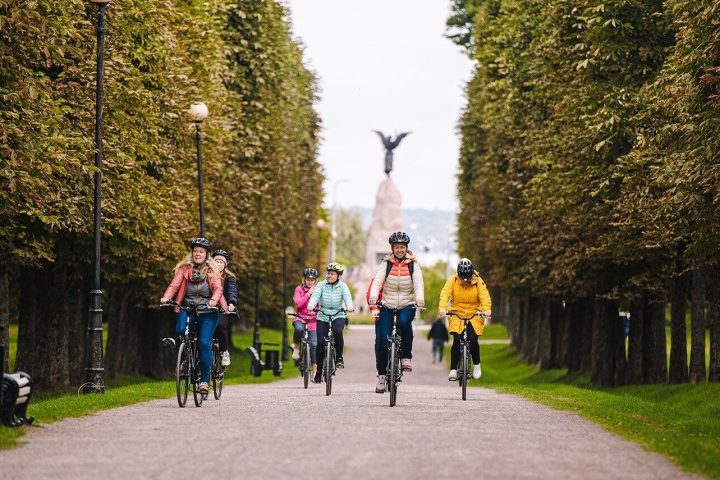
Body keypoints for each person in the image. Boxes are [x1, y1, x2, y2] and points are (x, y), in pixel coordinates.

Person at [160, 237, 226, 395]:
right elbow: (174, 285)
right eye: (195, 251)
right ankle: (185, 360)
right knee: (181, 330)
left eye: (201, 251)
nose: (197, 254)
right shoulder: (184, 269)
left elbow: (218, 289)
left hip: (207, 311)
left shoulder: (212, 271)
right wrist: (166, 297)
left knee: (204, 343)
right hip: (187, 308)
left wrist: (212, 301)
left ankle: (204, 381)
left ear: (206, 254)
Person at [368, 231, 425, 394]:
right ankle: (381, 375)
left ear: (406, 248)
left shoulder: (413, 264)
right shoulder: (386, 263)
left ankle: (406, 357)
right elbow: (378, 281)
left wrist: (419, 298)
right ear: (392, 248)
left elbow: (419, 283)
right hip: (387, 304)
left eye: (402, 247)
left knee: (405, 322)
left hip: (407, 303)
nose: (399, 250)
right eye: (397, 247)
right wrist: (373, 297)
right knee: (381, 340)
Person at [438, 258, 491, 381]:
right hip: (457, 312)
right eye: (463, 276)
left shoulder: (478, 281)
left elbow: (484, 296)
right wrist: (442, 308)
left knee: (473, 339)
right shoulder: (453, 280)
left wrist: (486, 309)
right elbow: (445, 293)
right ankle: (453, 369)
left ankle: (476, 365)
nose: (465, 279)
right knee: (457, 339)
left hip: (474, 313)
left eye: (468, 276)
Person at [308, 262, 354, 383]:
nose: (329, 276)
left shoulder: (343, 286)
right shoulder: (321, 285)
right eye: (328, 273)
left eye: (332, 274)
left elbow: (347, 297)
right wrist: (311, 305)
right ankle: (318, 372)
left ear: (338, 276)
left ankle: (339, 358)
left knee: (338, 331)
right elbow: (315, 296)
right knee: (320, 343)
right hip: (322, 315)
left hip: (338, 314)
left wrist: (349, 306)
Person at [292, 268, 319, 380]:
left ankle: (314, 368)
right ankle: (297, 348)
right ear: (304, 279)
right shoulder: (299, 289)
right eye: (308, 279)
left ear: (315, 281)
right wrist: (308, 294)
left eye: (312, 280)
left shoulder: (319, 290)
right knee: (298, 329)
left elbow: (321, 304)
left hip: (313, 320)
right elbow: (298, 304)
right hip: (300, 318)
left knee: (314, 344)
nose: (310, 281)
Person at [212, 249, 237, 367]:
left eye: (221, 262)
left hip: (224, 309)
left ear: (225, 264)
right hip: (207, 307)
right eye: (216, 261)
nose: (218, 264)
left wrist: (231, 303)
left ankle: (224, 351)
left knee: (221, 325)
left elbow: (231, 291)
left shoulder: (229, 278)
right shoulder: (207, 274)